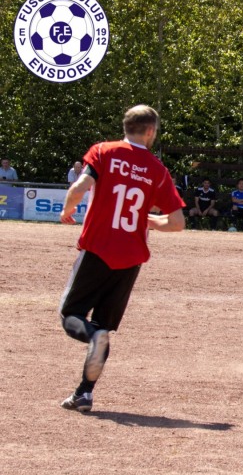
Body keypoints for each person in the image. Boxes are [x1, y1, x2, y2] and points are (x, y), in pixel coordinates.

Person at [58, 105, 186, 413]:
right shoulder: (156, 169)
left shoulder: (104, 151)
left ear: (126, 126)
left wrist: (67, 210)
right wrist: (148, 221)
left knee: (71, 315)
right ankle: (84, 393)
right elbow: (178, 222)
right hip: (131, 258)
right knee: (104, 325)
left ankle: (92, 338)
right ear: (150, 131)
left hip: (98, 248)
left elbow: (80, 187)